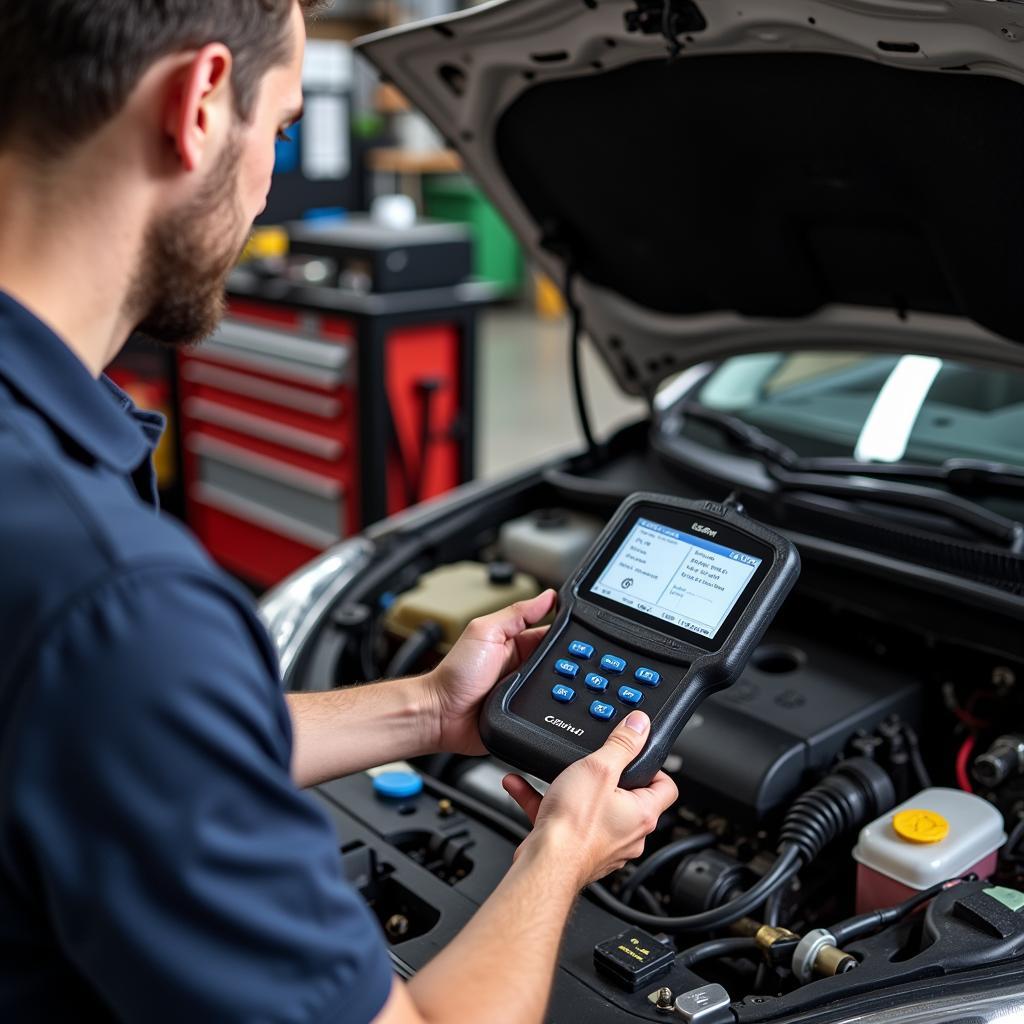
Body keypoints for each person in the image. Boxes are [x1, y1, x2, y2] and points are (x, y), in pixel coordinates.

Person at [0, 2, 679, 1021]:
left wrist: (427, 712)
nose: (273, 180)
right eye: (277, 127)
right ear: (196, 104)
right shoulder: (114, 597)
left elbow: (105, 751)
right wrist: (559, 855)